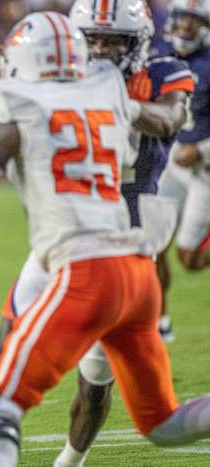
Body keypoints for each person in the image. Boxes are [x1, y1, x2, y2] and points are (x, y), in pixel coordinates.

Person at [0, 11, 210, 467]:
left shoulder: (26, 109)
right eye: (91, 43)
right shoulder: (110, 99)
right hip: (134, 270)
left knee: (0, 410)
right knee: (164, 424)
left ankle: (26, 439)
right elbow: (131, 112)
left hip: (87, 265)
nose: (100, 53)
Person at [156, 0, 210, 340]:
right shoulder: (158, 56)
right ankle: (159, 320)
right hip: (169, 162)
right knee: (152, 243)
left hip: (204, 169)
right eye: (182, 19)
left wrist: (202, 149)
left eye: (195, 20)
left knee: (189, 258)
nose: (187, 27)